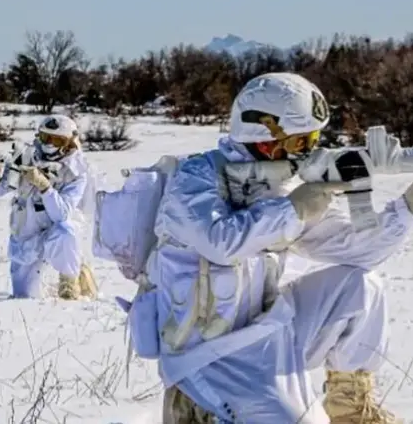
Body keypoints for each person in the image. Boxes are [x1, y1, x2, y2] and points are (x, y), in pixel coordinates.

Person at [134, 72, 410, 423]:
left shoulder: (284, 184)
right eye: (301, 141)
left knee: (361, 286)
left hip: (267, 332)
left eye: (314, 139)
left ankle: (351, 409)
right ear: (264, 135)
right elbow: (222, 242)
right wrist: (293, 208)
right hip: (207, 355)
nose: (309, 152)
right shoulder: (195, 176)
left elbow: (357, 250)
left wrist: (407, 206)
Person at [0, 114, 98, 300]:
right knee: (24, 297)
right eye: (45, 137)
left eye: (56, 139)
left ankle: (70, 280)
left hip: (54, 233)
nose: (49, 144)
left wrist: (45, 187)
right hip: (26, 236)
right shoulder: (26, 156)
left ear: (68, 142)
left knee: (66, 231)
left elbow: (61, 214)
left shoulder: (76, 172)